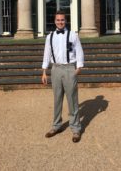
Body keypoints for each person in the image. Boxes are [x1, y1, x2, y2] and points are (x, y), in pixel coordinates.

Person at [42, 10, 84, 143]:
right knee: (57, 99)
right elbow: (46, 54)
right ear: (54, 21)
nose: (60, 22)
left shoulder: (73, 35)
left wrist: (79, 67)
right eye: (58, 20)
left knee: (72, 99)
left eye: (62, 20)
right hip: (55, 69)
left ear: (66, 21)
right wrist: (44, 71)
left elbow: (79, 50)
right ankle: (56, 125)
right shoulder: (50, 36)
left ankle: (76, 128)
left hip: (69, 68)